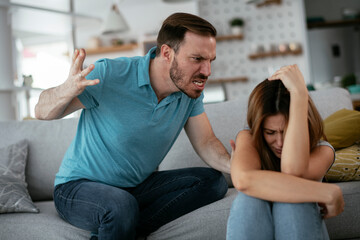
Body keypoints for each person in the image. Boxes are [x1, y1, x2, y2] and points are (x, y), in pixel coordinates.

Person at [35, 12, 230, 240]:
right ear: (167, 52)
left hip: (135, 188)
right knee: (120, 206)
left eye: (210, 61)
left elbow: (206, 142)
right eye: (197, 59)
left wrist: (236, 166)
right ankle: (121, 222)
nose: (207, 71)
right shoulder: (110, 74)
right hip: (78, 188)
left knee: (213, 182)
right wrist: (65, 89)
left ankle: (121, 228)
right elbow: (41, 112)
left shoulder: (189, 91)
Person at [226, 65, 344, 240]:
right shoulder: (249, 137)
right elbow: (243, 180)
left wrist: (300, 95)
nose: (280, 143)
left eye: (287, 132)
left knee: (290, 202)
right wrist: (326, 192)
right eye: (270, 133)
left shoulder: (322, 150)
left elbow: (292, 172)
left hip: (300, 224)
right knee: (248, 200)